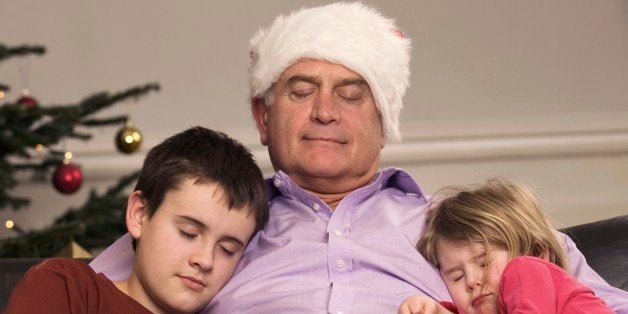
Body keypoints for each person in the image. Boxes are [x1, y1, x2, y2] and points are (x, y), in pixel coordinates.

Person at [90, 3, 628, 313]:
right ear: (262, 115)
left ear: (384, 118)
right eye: (301, 92)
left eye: (351, 95)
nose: (325, 112)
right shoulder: (215, 220)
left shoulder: (465, 225)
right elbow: (90, 299)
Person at [5, 126, 268, 313]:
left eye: (228, 249)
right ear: (139, 215)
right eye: (188, 232)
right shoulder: (69, 289)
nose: (205, 260)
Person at [398, 178, 613, 314]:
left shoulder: (526, 269)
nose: (471, 281)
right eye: (457, 277)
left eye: (484, 262)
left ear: (537, 253)